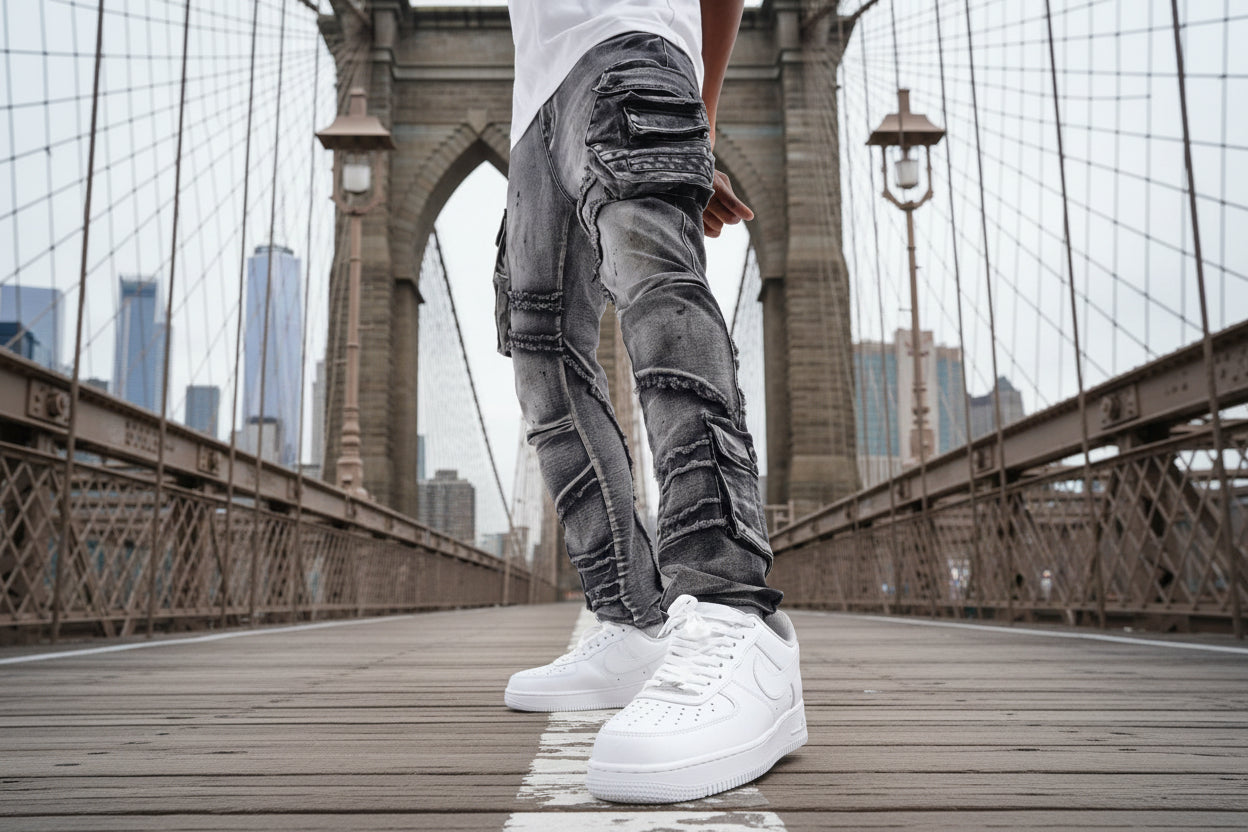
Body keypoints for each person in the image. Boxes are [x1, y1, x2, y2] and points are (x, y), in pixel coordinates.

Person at [495, 0, 806, 804]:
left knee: (659, 297)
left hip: (628, 47)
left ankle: (738, 615)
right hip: (534, 102)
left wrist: (698, 129)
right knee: (542, 361)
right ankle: (635, 623)